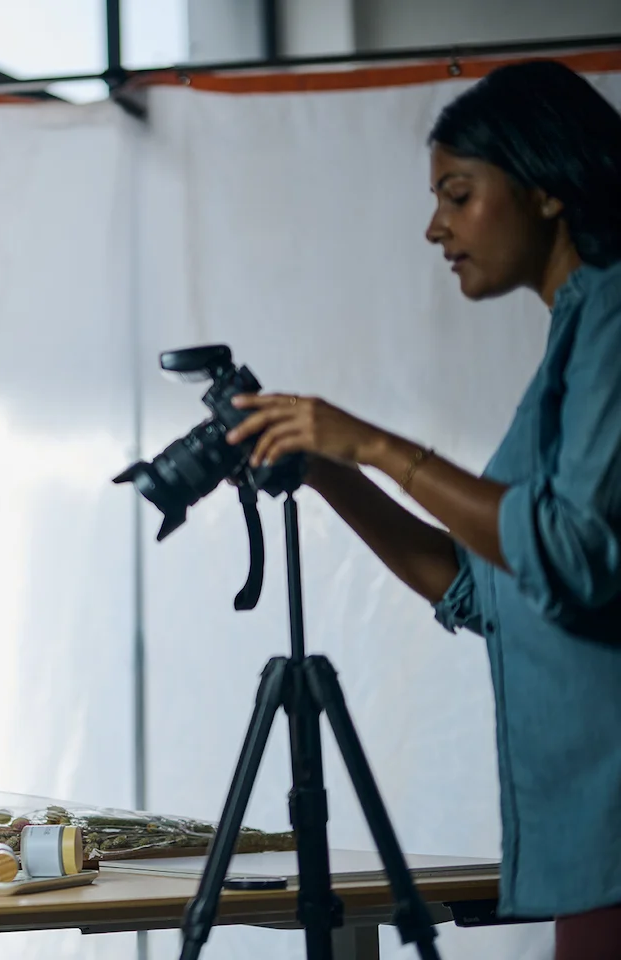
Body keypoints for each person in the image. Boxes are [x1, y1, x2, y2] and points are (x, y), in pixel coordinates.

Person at [226, 60, 621, 958]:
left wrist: (377, 444)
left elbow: (574, 552)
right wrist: (331, 467)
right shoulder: (574, 334)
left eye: (458, 192)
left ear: (547, 188)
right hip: (589, 844)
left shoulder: (615, 319)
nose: (435, 225)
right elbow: (482, 589)